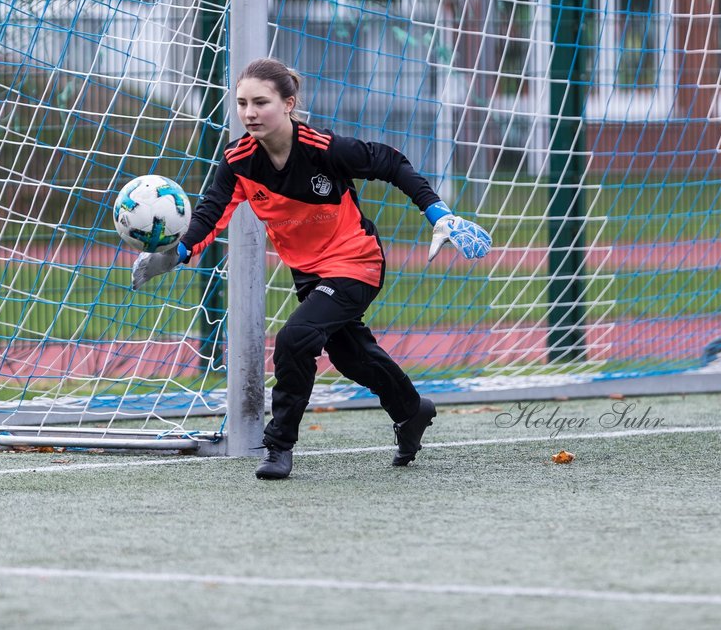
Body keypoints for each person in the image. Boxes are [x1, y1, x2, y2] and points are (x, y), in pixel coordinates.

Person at [131, 58, 491, 480]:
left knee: (295, 338)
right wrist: (176, 253)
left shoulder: (325, 149)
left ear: (288, 103)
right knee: (352, 356)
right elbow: (211, 213)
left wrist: (439, 214)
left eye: (261, 102)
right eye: (242, 103)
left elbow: (392, 162)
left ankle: (278, 446)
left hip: (356, 261)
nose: (249, 113)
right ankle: (411, 410)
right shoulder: (239, 160)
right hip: (308, 273)